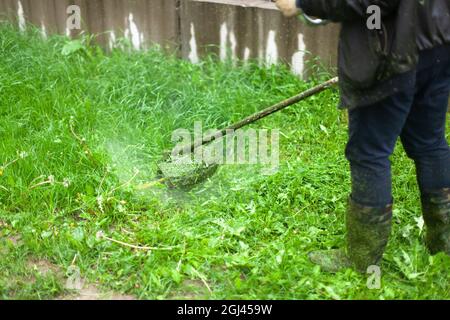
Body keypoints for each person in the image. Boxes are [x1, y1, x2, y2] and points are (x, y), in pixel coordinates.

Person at [275, 0, 450, 272]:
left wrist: (302, 3)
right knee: (430, 143)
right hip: (437, 40)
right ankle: (444, 245)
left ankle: (362, 261)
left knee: (369, 153)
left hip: (391, 50)